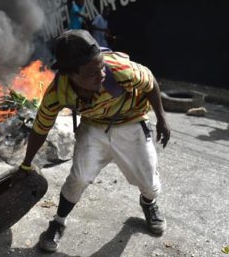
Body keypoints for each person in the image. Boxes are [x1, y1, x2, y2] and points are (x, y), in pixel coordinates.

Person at [16, 29, 171, 252]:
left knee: (149, 183)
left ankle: (148, 203)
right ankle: (58, 222)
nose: (101, 74)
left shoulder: (119, 69)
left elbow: (150, 83)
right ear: (70, 75)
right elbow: (41, 128)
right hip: (94, 126)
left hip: (130, 121)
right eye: (91, 72)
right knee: (78, 178)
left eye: (100, 65)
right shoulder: (58, 92)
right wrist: (26, 164)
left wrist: (162, 118)